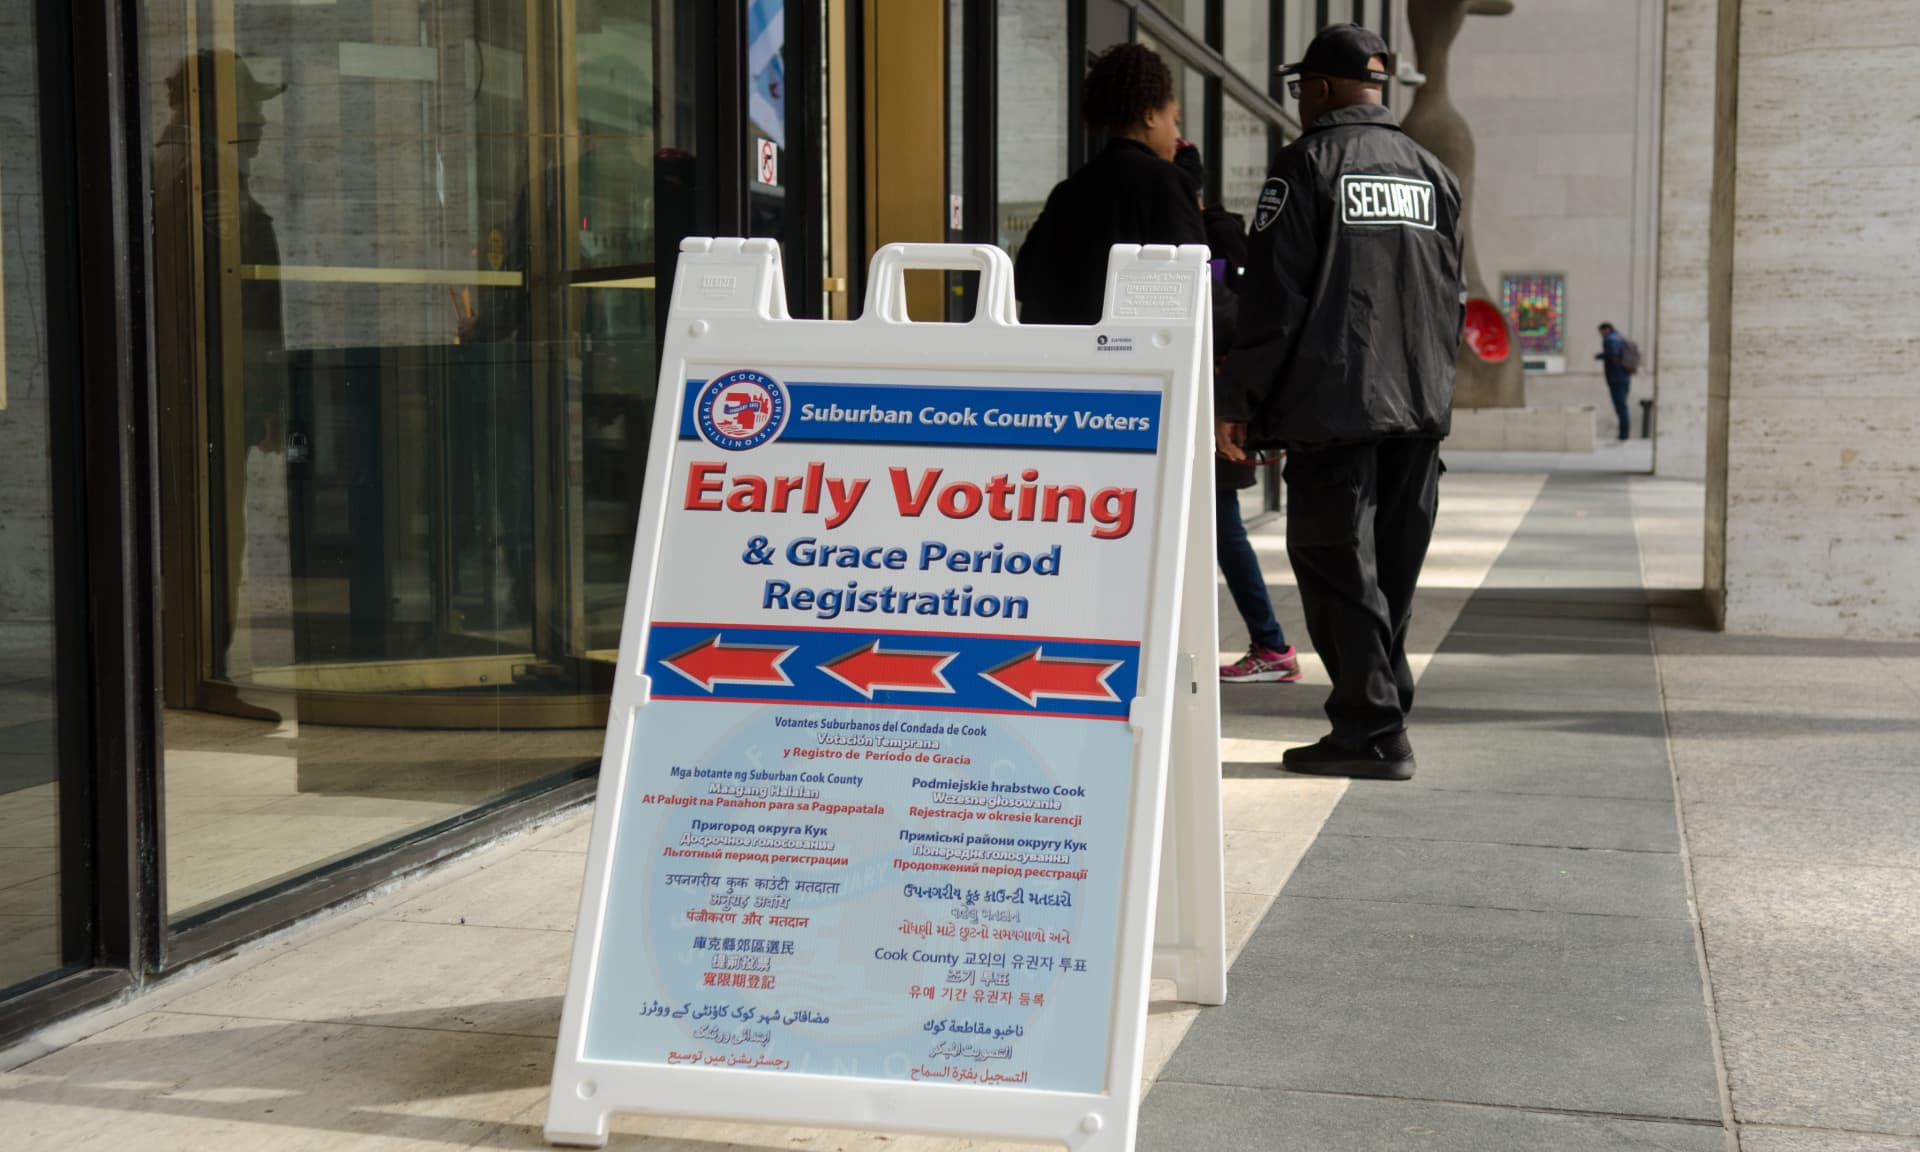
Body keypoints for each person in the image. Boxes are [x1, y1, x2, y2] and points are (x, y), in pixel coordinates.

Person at [1215, 24, 1465, 781]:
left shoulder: (1307, 165)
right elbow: (1449, 298)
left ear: (1321, 90)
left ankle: (1372, 730)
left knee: (1334, 565)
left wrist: (1238, 399)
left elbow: (1275, 300)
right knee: (1389, 571)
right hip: (1419, 405)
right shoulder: (1433, 173)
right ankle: (1385, 704)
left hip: (1339, 406)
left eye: (1302, 88)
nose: (1300, 101)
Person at [1173, 142, 1301, 685]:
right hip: (1208, 401)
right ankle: (1268, 643)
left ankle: (1271, 644)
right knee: (1220, 530)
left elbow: (1243, 319)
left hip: (1213, 405)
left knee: (1223, 528)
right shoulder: (1209, 233)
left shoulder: (1217, 235)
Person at [1014, 44, 1205, 323]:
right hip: (1130, 347)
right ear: (1150, 115)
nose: (1177, 135)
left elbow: (1023, 280)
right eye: (1174, 120)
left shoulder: (1066, 193)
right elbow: (1195, 289)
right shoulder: (1166, 182)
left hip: (1059, 348)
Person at [1596, 322, 1632, 441]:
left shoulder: (1610, 339)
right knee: (1622, 406)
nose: (1601, 334)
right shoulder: (1620, 337)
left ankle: (1623, 435)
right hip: (1625, 377)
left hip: (1616, 378)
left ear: (1606, 329)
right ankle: (1623, 434)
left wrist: (1600, 356)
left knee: (1621, 407)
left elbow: (1613, 354)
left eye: (1601, 332)